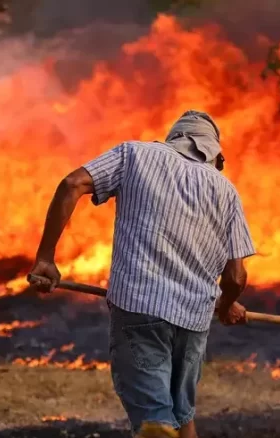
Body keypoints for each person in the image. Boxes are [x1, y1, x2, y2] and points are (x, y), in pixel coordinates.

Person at [27, 110, 256, 438]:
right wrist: (225, 303)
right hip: (193, 321)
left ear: (174, 140)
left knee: (157, 420)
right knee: (182, 414)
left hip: (140, 308)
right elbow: (235, 277)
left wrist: (46, 258)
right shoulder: (227, 192)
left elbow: (72, 183)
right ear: (215, 155)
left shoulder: (135, 154)